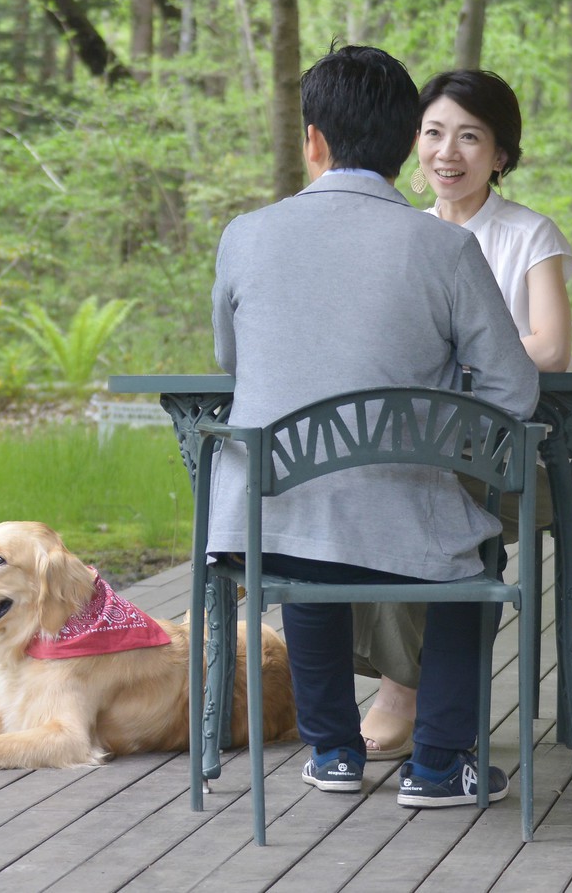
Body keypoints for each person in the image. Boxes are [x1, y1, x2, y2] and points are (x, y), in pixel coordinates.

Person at [208, 45, 539, 807]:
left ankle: (332, 752)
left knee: (310, 531)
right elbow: (513, 391)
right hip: (403, 532)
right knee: (475, 562)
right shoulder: (446, 247)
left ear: (313, 140)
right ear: (405, 148)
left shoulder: (244, 235)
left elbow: (233, 360)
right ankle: (440, 766)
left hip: (264, 524)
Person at [355, 68, 572, 762]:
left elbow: (551, 345)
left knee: (427, 509)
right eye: (433, 133)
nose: (447, 152)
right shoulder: (397, 233)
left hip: (509, 460)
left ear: (501, 154)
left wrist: (460, 361)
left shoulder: (526, 234)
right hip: (416, 450)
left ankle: (402, 692)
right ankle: (404, 690)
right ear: (412, 142)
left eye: (470, 137)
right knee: (358, 497)